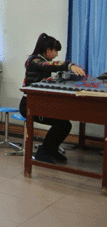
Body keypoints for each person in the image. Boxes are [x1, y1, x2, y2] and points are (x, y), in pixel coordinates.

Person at [19, 33, 85, 164]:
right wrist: (69, 66)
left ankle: (51, 150)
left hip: (40, 103)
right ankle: (43, 151)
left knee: (65, 124)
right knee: (62, 124)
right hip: (29, 105)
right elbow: (48, 65)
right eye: (55, 51)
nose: (56, 55)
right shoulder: (33, 61)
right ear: (48, 50)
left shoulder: (40, 60)